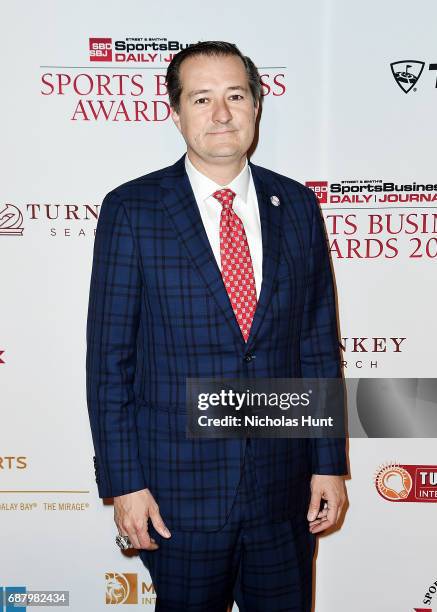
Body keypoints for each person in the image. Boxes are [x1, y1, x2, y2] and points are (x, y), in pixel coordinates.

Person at [86, 40, 348, 612]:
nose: (222, 114)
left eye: (235, 95)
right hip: (179, 493)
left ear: (257, 105)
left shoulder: (298, 205)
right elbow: (110, 362)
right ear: (176, 114)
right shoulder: (133, 210)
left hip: (283, 493)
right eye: (202, 99)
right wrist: (125, 484)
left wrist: (328, 464)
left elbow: (316, 346)